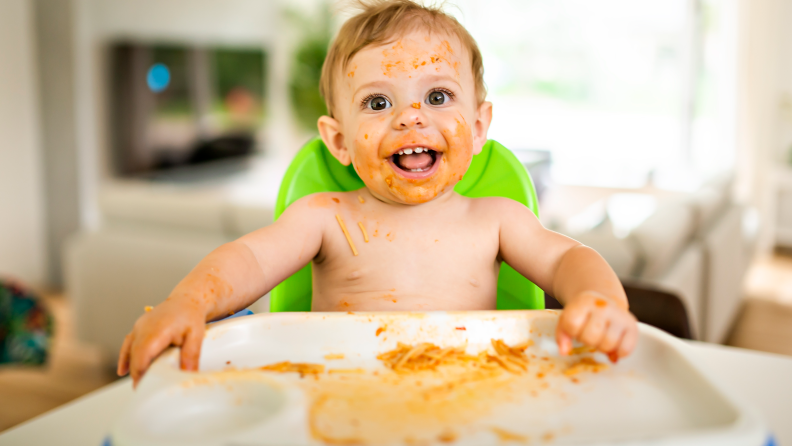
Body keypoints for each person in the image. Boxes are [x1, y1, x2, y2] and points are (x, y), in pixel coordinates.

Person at [118, 0, 638, 387]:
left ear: (478, 128)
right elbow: (248, 259)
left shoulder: (496, 220)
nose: (411, 116)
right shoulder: (325, 217)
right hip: (339, 394)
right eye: (377, 102)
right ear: (339, 140)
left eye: (437, 96)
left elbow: (570, 257)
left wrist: (599, 300)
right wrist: (188, 301)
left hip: (471, 394)